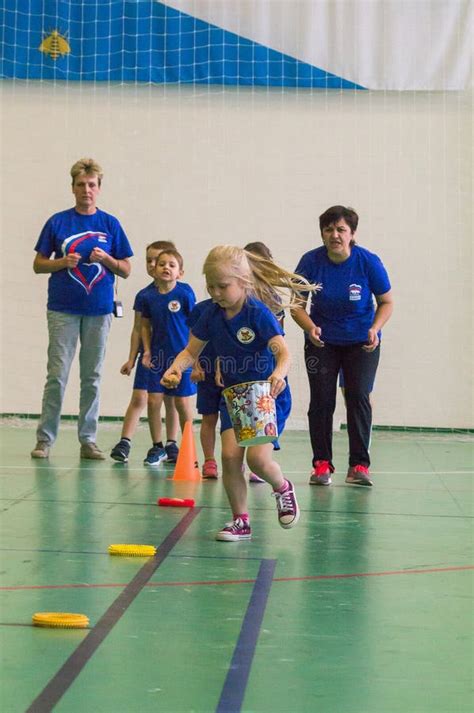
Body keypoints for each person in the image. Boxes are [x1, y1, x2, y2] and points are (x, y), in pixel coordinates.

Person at [162, 245, 316, 542]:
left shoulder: (257, 313)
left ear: (243, 283)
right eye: (211, 286)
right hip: (233, 396)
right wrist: (173, 370)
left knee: (258, 460)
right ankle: (240, 520)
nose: (216, 292)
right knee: (230, 456)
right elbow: (190, 351)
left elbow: (283, 353)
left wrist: (277, 374)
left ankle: (282, 488)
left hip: (265, 393)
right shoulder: (208, 313)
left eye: (223, 286)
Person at [31, 158, 133, 460]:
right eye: (80, 185)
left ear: (99, 189)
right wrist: (61, 263)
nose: (86, 190)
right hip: (62, 309)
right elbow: (38, 264)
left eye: (91, 185)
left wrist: (107, 260)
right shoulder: (57, 222)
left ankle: (88, 439)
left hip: (99, 310)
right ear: (72, 187)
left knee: (92, 376)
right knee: (57, 375)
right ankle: (45, 439)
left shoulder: (110, 224)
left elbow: (126, 269)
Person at [291, 205, 393, 487]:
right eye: (329, 229)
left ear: (352, 234)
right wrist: (309, 327)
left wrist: (374, 329)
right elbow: (297, 306)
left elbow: (386, 302)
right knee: (322, 400)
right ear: (322, 233)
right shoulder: (310, 262)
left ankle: (359, 464)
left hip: (362, 342)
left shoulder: (368, 262)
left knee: (358, 396)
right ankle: (321, 464)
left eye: (341, 230)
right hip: (321, 342)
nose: (334, 234)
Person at [110, 240, 184, 463]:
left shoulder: (181, 293)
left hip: (173, 356)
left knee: (170, 401)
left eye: (159, 260)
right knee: (141, 398)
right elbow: (137, 328)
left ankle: (171, 444)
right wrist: (132, 358)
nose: (154, 264)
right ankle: (126, 441)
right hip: (150, 357)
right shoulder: (145, 296)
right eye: (149, 260)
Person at [141, 249, 196, 465]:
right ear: (153, 269)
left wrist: (195, 356)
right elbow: (144, 325)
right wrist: (146, 351)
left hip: (182, 357)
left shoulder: (184, 293)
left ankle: (188, 448)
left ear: (180, 272)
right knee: (154, 400)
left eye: (172, 265)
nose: (166, 268)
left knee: (182, 403)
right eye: (162, 264)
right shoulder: (147, 296)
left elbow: (194, 325)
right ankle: (157, 446)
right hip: (158, 356)